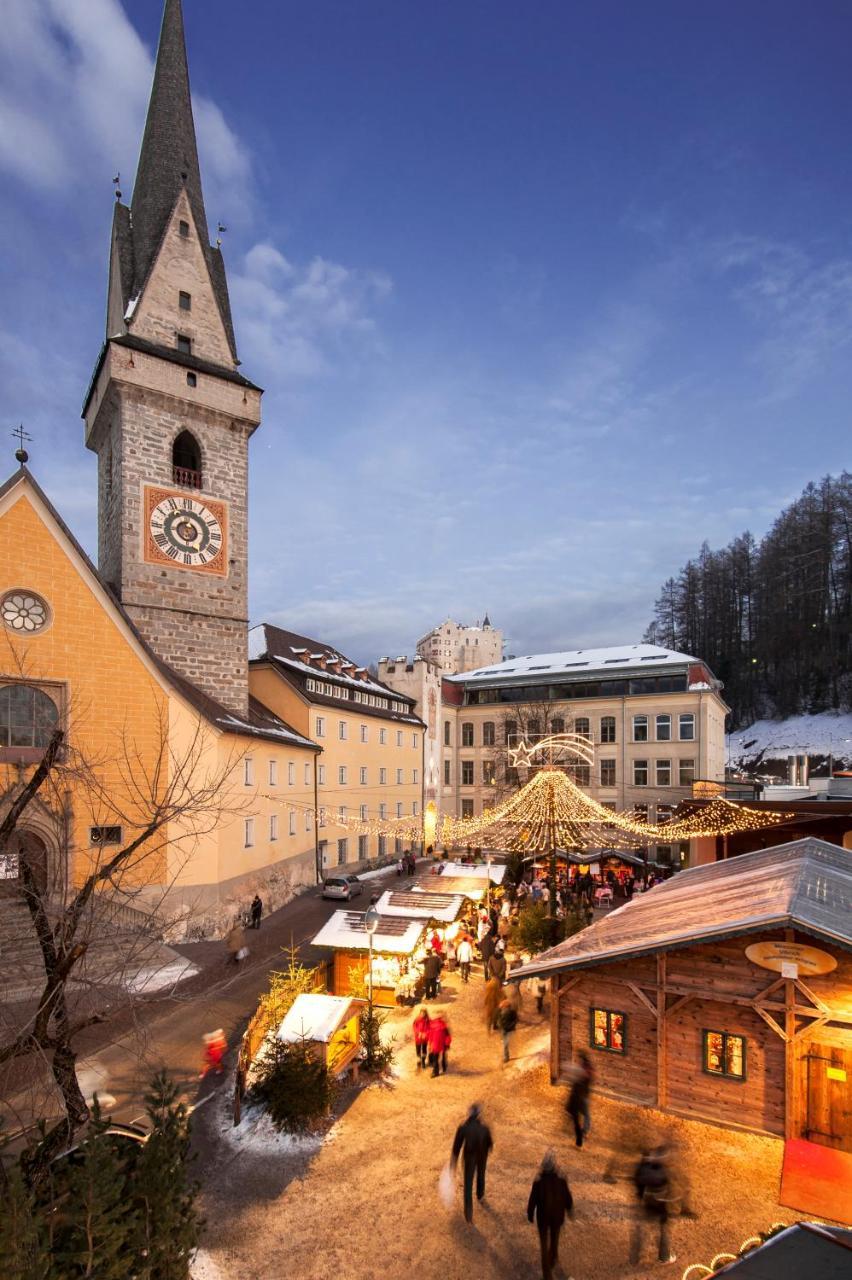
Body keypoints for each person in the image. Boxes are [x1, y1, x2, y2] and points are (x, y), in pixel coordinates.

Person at [527, 1151, 574, 1280]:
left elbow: (533, 1200)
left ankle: (547, 1275)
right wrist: (569, 1209)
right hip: (557, 1218)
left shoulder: (538, 1181)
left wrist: (530, 1214)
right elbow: (567, 1197)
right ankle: (553, 1258)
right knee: (554, 1240)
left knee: (544, 1246)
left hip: (543, 1219)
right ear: (554, 1166)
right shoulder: (561, 1179)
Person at [630, 1145, 677, 1266]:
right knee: (663, 1229)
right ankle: (664, 1256)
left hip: (646, 1201)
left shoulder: (643, 1167)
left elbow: (637, 1181)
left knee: (640, 1229)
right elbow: (669, 1187)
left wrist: (640, 1197)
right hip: (660, 1204)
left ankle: (634, 1257)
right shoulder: (662, 1170)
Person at [451, 1103, 493, 1224]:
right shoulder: (485, 1128)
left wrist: (453, 1161)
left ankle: (468, 1213)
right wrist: (486, 1149)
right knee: (481, 1176)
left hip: (469, 1158)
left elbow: (457, 1146)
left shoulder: (463, 1127)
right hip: (482, 1157)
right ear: (479, 1115)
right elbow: (490, 1144)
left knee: (468, 1184)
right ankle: (480, 1195)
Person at [565, 1055, 592, 1147]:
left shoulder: (584, 1076)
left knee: (584, 1117)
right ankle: (581, 1135)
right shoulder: (579, 1077)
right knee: (578, 1119)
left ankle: (583, 1133)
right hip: (577, 1101)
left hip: (580, 1100)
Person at [497, 997, 518, 1064]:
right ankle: (506, 1056)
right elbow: (499, 1020)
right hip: (505, 1029)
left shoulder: (512, 1012)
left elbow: (515, 1020)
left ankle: (506, 1057)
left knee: (505, 1044)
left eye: (506, 1007)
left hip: (509, 1030)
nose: (505, 1008)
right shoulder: (501, 1012)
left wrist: (511, 1026)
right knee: (504, 1043)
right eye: (504, 1007)